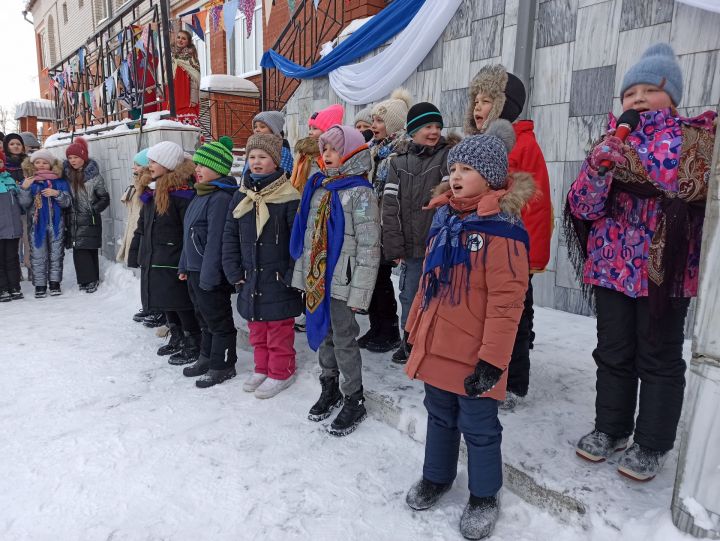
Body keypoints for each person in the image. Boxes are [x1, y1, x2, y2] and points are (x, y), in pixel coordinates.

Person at [567, 43, 717, 481]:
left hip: (663, 275)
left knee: (659, 357)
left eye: (649, 90)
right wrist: (597, 170)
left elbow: (695, 195)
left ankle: (651, 443)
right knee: (613, 353)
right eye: (630, 93)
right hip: (612, 267)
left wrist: (647, 177)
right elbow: (583, 207)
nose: (636, 100)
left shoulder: (695, 141)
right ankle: (610, 428)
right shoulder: (610, 141)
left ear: (673, 96)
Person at [403, 121, 532, 540]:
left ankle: (484, 495)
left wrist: (494, 360)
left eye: (466, 170)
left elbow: (507, 303)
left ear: (491, 178)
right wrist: (415, 328)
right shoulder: (445, 217)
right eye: (453, 168)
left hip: (475, 351)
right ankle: (437, 476)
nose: (455, 176)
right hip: (438, 342)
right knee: (439, 415)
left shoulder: (504, 231)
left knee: (478, 426)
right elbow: (428, 280)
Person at [465, 64, 553, 409]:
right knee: (491, 315)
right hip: (487, 247)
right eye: (476, 99)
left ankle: (514, 382)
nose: (478, 107)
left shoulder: (522, 145)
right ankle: (490, 371)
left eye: (487, 100)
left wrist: (525, 258)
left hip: (513, 250)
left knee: (513, 317)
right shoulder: (482, 144)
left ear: (505, 105)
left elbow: (532, 205)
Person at [290, 125, 381, 436]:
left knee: (343, 338)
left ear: (353, 154)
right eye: (324, 149)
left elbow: (370, 248)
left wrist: (359, 296)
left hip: (343, 281)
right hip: (319, 280)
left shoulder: (361, 192)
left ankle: (354, 397)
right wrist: (304, 277)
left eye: (334, 150)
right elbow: (309, 238)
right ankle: (329, 387)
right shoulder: (318, 187)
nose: (326, 155)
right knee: (324, 334)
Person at [224, 133, 303, 398]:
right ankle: (262, 367)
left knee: (278, 329)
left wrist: (291, 275)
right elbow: (230, 236)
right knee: (256, 325)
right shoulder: (241, 196)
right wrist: (234, 271)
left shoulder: (289, 197)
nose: (256, 162)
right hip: (250, 276)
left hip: (278, 277)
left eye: (263, 157)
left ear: (276, 160)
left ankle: (282, 371)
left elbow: (297, 242)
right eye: (252, 157)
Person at [381, 102, 457, 363]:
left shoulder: (448, 157)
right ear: (413, 130)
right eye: (427, 126)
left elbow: (452, 195)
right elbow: (390, 207)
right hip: (411, 248)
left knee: (440, 297)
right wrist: (394, 246)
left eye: (437, 126)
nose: (434, 131)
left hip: (439, 246)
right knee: (410, 294)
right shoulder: (398, 162)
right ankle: (409, 340)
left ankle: (437, 344)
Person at [128, 141, 201, 364]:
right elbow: (142, 225)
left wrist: (185, 260)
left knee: (180, 302)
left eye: (153, 161)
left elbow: (187, 229)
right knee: (164, 301)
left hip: (174, 257)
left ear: (168, 164)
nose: (149, 166)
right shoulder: (152, 190)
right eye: (149, 161)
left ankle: (193, 341)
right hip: (155, 255)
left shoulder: (182, 194)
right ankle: (176, 335)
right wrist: (137, 251)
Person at [178, 137, 240, 388]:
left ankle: (223, 364)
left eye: (203, 165)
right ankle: (206, 357)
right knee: (203, 318)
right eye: (197, 165)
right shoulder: (200, 194)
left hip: (210, 274)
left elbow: (216, 241)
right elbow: (188, 233)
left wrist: (209, 276)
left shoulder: (221, 198)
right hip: (194, 271)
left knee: (218, 320)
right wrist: (184, 265)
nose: (197, 169)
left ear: (219, 169)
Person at [360, 88, 412, 353]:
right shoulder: (375, 150)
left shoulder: (398, 154)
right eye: (374, 120)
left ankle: (389, 329)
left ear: (392, 124)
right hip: (370, 223)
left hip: (387, 225)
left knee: (382, 279)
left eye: (379, 121)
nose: (374, 126)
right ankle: (377, 326)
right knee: (373, 278)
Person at [289, 103, 345, 334]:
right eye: (310, 127)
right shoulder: (304, 155)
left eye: (316, 128)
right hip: (305, 207)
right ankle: (308, 309)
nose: (312, 132)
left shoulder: (324, 158)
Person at [18, 149, 71, 298]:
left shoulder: (60, 181)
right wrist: (25, 189)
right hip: (36, 225)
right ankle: (40, 285)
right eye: (37, 162)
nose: (41, 165)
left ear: (51, 164)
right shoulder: (29, 181)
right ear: (32, 164)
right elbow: (24, 204)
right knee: (37, 255)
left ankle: (55, 283)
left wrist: (57, 194)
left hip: (56, 224)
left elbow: (67, 202)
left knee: (56, 254)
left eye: (44, 162)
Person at [64, 137, 110, 293]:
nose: (73, 161)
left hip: (89, 218)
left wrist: (93, 209)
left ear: (83, 157)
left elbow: (105, 198)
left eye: (76, 157)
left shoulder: (94, 177)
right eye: (70, 158)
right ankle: (84, 280)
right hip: (73, 219)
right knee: (79, 250)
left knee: (89, 249)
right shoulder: (66, 176)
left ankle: (92, 279)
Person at [3, 133, 31, 280]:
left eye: (18, 144)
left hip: (27, 209)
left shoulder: (28, 163)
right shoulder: (3, 164)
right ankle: (16, 273)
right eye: (12, 144)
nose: (15, 146)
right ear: (7, 146)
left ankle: (31, 267)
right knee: (14, 243)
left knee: (29, 240)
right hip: (10, 211)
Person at [0, 150, 23, 301]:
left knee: (12, 258)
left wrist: (24, 189)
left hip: (13, 228)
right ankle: (2, 288)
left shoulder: (10, 180)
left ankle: (14, 286)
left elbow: (21, 203)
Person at [166, 30, 200, 126]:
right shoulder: (169, 54)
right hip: (170, 92)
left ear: (188, 42)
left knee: (187, 120)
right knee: (169, 118)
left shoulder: (191, 57)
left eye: (183, 38)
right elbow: (163, 73)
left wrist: (193, 99)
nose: (180, 40)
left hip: (184, 94)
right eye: (179, 37)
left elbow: (195, 79)